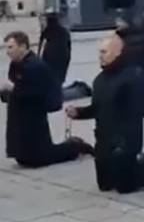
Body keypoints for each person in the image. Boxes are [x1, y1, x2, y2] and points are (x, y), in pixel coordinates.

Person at [66, 35, 144, 193]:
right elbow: (98, 109)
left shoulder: (131, 78)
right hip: (103, 141)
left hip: (124, 142)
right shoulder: (99, 80)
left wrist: (125, 145)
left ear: (118, 53)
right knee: (105, 186)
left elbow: (136, 114)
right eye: (100, 52)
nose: (100, 56)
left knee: (125, 187)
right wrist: (78, 113)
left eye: (104, 52)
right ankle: (139, 163)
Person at [3, 32, 93, 168]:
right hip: (20, 111)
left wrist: (13, 88)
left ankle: (74, 146)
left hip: (34, 114)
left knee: (40, 158)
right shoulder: (16, 64)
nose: (7, 52)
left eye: (11, 47)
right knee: (22, 156)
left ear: (22, 46)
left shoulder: (35, 66)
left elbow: (35, 91)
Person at [38, 13, 71, 85]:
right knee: (59, 79)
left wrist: (38, 59)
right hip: (63, 57)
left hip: (49, 57)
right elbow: (69, 47)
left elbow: (40, 47)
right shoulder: (64, 31)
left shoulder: (46, 31)